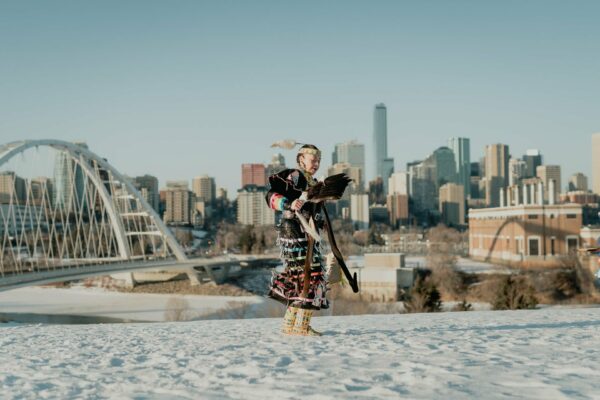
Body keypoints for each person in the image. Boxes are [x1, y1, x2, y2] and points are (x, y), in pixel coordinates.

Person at [265, 144, 328, 336]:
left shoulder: (313, 181)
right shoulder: (294, 176)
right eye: (313, 160)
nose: (316, 164)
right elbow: (271, 196)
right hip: (294, 230)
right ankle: (301, 326)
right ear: (301, 159)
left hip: (308, 232)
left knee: (303, 278)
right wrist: (289, 203)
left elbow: (312, 209)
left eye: (318, 160)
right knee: (310, 276)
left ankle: (291, 325)